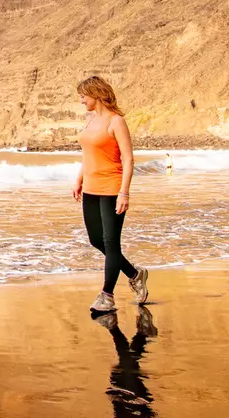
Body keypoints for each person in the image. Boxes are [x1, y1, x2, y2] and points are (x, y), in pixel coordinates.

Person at [71, 76, 149, 312]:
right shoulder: (90, 120)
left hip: (112, 188)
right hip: (90, 188)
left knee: (110, 242)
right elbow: (88, 154)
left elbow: (128, 159)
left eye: (84, 95)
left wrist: (124, 192)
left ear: (96, 94)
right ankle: (135, 274)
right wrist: (79, 179)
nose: (82, 100)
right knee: (96, 240)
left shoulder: (116, 122)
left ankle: (107, 295)